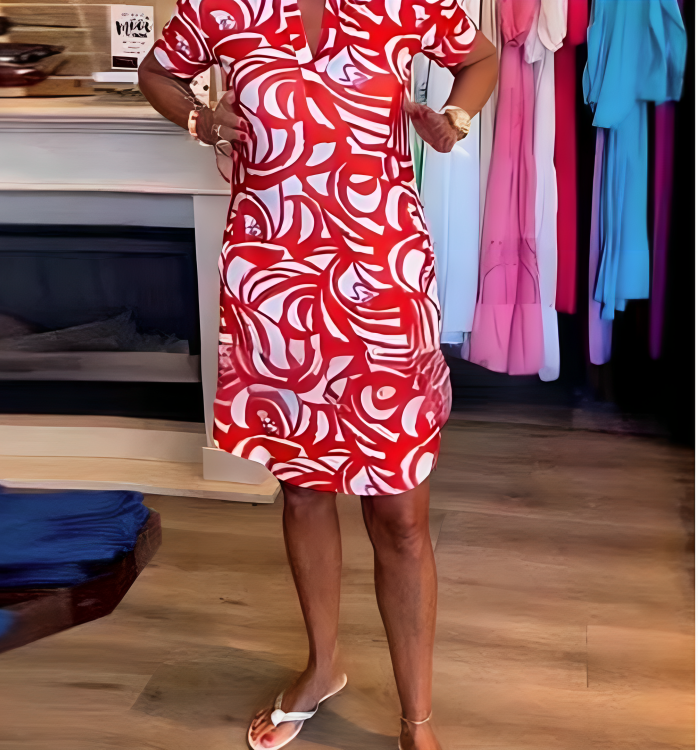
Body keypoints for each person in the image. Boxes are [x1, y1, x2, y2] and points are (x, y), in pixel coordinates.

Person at [139, 0, 497, 745]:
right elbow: (157, 72)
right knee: (304, 491)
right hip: (275, 286)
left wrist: (455, 119)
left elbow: (480, 57)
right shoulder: (219, 7)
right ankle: (323, 665)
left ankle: (418, 721)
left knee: (400, 513)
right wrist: (200, 120)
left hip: (384, 283)